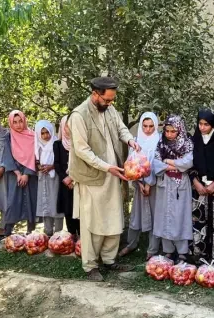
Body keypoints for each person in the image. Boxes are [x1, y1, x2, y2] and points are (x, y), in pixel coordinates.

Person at [68, 76, 140, 281]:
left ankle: (109, 259)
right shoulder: (79, 115)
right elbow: (82, 151)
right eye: (107, 100)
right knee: (92, 222)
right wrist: (107, 167)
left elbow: (121, 128)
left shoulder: (109, 110)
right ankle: (90, 265)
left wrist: (130, 140)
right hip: (92, 176)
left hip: (113, 173)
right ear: (94, 94)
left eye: (112, 100)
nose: (110, 104)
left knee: (114, 216)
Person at [118, 112, 161, 260]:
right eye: (145, 126)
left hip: (154, 186)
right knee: (136, 215)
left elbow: (157, 163)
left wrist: (149, 183)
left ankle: (152, 249)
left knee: (155, 216)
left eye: (151, 126)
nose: (148, 129)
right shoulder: (136, 141)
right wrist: (139, 183)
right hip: (139, 186)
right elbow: (131, 163)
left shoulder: (159, 141)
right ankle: (131, 244)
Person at [152, 115, 194, 263]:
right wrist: (175, 165)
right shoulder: (161, 143)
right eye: (167, 131)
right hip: (165, 182)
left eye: (173, 131)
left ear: (180, 130)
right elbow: (156, 163)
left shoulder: (187, 144)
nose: (169, 134)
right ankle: (168, 250)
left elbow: (188, 163)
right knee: (165, 215)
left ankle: (182, 252)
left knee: (180, 215)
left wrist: (168, 161)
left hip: (180, 184)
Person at [189, 108, 214, 264]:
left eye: (206, 124)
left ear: (213, 125)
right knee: (198, 221)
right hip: (198, 189)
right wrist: (196, 183)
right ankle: (198, 256)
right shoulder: (193, 141)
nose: (202, 127)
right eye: (200, 124)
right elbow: (189, 164)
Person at [3, 110, 38, 236]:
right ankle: (8, 232)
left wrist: (27, 174)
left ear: (25, 120)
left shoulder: (33, 136)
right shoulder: (8, 136)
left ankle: (31, 232)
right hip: (14, 174)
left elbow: (35, 155)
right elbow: (7, 155)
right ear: (11, 123)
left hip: (30, 174)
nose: (18, 125)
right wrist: (18, 174)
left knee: (31, 200)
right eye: (15, 122)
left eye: (20, 121)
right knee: (13, 201)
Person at [34, 120, 64, 236]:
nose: (46, 135)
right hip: (43, 178)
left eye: (47, 132)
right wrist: (39, 166)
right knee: (45, 203)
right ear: (38, 134)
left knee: (55, 203)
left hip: (55, 177)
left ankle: (59, 233)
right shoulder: (37, 145)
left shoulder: (56, 143)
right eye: (42, 133)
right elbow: (36, 160)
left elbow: (61, 161)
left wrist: (51, 167)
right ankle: (48, 232)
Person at [53, 115, 80, 239]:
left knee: (78, 207)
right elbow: (57, 164)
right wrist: (65, 178)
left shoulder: (79, 143)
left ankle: (81, 235)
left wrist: (73, 177)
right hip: (65, 182)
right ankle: (71, 234)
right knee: (68, 209)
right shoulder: (57, 144)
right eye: (67, 126)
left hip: (77, 180)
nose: (69, 129)